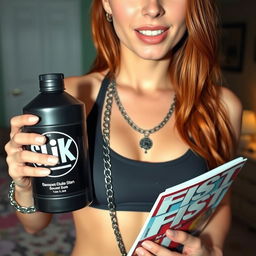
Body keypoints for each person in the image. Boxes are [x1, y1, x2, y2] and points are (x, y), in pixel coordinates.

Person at [5, 0, 242, 255]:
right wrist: (25, 186)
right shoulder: (72, 100)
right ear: (107, 4)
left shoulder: (222, 106)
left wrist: (212, 249)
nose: (153, 8)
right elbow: (35, 225)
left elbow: (220, 202)